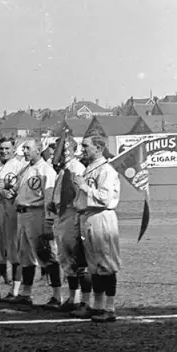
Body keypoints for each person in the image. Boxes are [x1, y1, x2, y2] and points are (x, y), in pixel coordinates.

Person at [72, 135, 121, 322]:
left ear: (98, 148)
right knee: (93, 266)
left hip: (101, 217)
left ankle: (110, 308)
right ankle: (98, 306)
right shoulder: (90, 169)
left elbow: (105, 198)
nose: (82, 149)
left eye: (86, 146)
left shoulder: (106, 170)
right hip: (88, 217)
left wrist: (84, 187)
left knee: (106, 264)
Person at [12, 138, 59, 307]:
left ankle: (56, 295)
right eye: (24, 148)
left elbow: (49, 198)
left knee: (46, 253)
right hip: (22, 214)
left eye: (28, 148)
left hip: (37, 214)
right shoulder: (26, 168)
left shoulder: (46, 170)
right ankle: (26, 293)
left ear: (38, 150)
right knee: (25, 255)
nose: (24, 151)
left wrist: (48, 221)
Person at [48, 137, 91, 313]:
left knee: (76, 258)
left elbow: (79, 194)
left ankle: (82, 299)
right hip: (61, 216)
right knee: (65, 258)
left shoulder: (76, 168)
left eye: (66, 150)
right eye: (60, 150)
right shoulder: (62, 171)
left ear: (73, 150)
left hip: (72, 216)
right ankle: (73, 297)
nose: (63, 153)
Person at [0, 137, 28, 300]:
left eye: (7, 148)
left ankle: (14, 291)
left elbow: (23, 188)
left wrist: (12, 191)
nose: (4, 151)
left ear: (14, 149)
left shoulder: (20, 166)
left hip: (11, 209)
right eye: (1, 148)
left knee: (14, 249)